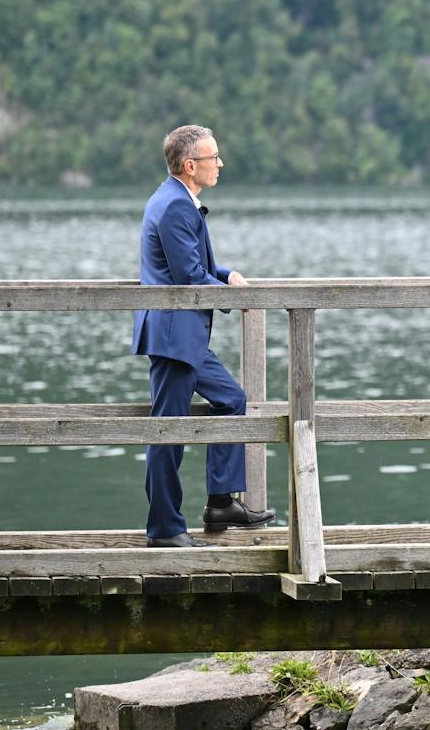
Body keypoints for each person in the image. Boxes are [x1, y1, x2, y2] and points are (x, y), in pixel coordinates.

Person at [133, 125, 275, 547]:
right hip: (175, 337)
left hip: (183, 336)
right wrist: (235, 300)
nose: (220, 164)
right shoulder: (175, 206)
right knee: (169, 434)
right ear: (190, 165)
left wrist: (227, 274)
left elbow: (195, 265)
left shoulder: (175, 198)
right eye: (214, 158)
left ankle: (220, 501)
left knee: (232, 400)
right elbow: (187, 276)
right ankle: (164, 530)